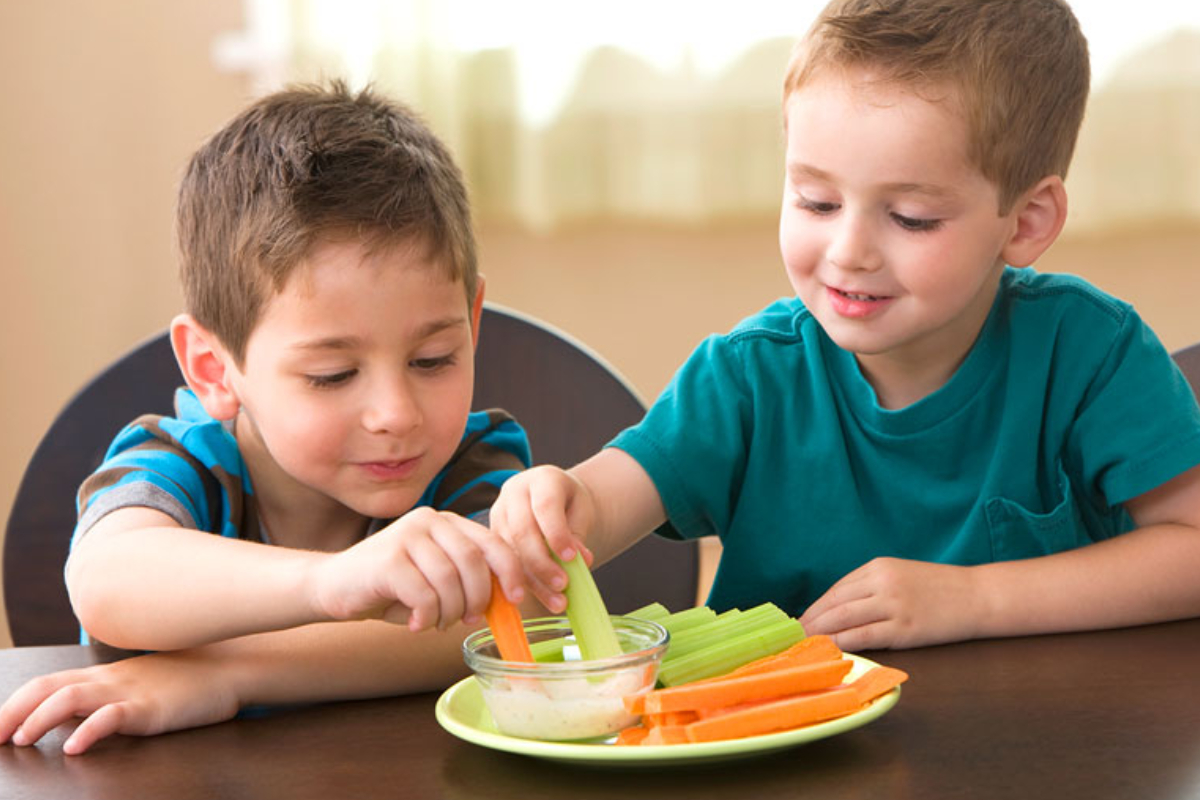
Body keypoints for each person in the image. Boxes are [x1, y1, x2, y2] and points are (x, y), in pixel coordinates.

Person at [491, 0, 1200, 652]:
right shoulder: (748, 377)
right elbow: (605, 499)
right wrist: (560, 503)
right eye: (816, 201)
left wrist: (976, 599)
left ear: (1027, 222)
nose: (849, 253)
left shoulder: (1091, 355)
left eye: (911, 217)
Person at [0, 81, 530, 754]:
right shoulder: (182, 459)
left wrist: (228, 676)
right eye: (331, 375)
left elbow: (503, 624)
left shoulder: (474, 463)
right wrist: (334, 583)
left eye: (432, 358)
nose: (397, 414)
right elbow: (106, 581)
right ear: (215, 370)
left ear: (472, 323)